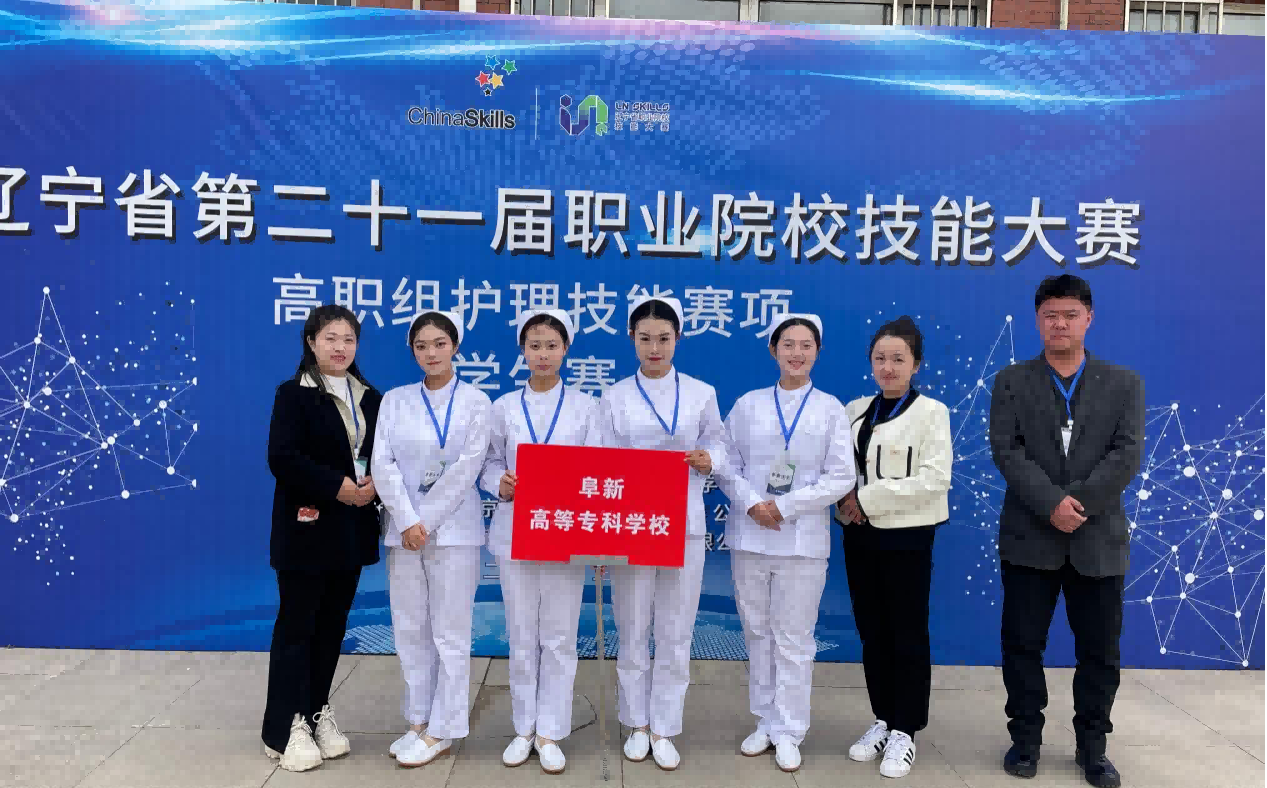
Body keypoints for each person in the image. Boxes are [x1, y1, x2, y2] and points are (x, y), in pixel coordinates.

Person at [989, 275, 1143, 788]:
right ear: (1038, 320)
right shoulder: (1011, 381)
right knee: (1022, 645)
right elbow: (1006, 451)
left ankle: (1092, 749)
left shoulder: (1123, 383)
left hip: (1098, 540)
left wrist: (1080, 503)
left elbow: (1126, 453)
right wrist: (1050, 503)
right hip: (1029, 536)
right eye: (1050, 315)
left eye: (1070, 315)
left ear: (1088, 319)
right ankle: (1025, 741)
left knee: (1100, 652)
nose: (1060, 324)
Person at [586, 295, 727, 771]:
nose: (654, 348)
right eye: (645, 338)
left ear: (677, 339)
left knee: (675, 631)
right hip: (632, 527)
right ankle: (636, 723)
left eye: (663, 338)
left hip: (683, 525)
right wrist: (601, 538)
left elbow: (719, 443)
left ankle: (665, 726)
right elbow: (601, 464)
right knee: (632, 628)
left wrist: (710, 459)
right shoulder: (615, 396)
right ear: (632, 339)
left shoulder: (701, 393)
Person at [715, 313, 857, 774]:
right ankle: (765, 720)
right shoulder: (749, 405)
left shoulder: (830, 410)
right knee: (757, 633)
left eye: (806, 345)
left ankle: (791, 729)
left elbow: (841, 476)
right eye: (788, 344)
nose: (797, 353)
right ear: (773, 350)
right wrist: (753, 503)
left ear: (817, 352)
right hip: (751, 537)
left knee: (794, 639)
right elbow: (725, 464)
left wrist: (785, 506)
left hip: (802, 543)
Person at [371, 310, 492, 768]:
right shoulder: (396, 400)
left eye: (440, 344)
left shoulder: (476, 402)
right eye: (421, 346)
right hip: (404, 534)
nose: (431, 353)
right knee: (410, 628)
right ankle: (419, 720)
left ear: (455, 347)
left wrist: (425, 520)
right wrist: (407, 520)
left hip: (455, 533)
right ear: (413, 351)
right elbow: (382, 463)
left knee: (450, 632)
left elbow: (467, 468)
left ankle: (445, 727)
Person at [263, 305, 382, 772]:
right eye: (330, 337)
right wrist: (337, 486)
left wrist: (375, 484)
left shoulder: (370, 397)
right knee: (298, 628)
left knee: (331, 627)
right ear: (311, 341)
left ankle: (315, 712)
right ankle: (282, 727)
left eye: (348, 339)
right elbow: (282, 457)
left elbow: (381, 455)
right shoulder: (293, 394)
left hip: (350, 531)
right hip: (306, 529)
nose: (340, 347)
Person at [479, 309, 597, 775]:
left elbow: (600, 471)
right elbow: (488, 462)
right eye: (534, 346)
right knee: (522, 633)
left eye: (551, 345)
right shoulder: (504, 407)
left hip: (566, 531)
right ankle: (523, 727)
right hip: (516, 533)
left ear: (566, 348)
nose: (543, 354)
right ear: (522, 351)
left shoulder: (587, 408)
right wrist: (499, 482)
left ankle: (550, 731)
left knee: (560, 636)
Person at [836, 315, 952, 780]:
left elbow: (934, 479)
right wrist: (845, 501)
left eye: (898, 359)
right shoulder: (855, 409)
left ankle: (906, 729)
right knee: (873, 630)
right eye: (880, 358)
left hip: (907, 536)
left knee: (907, 632)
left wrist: (866, 499)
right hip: (859, 535)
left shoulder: (932, 413)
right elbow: (838, 468)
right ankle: (883, 718)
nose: (888, 367)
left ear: (916, 364)